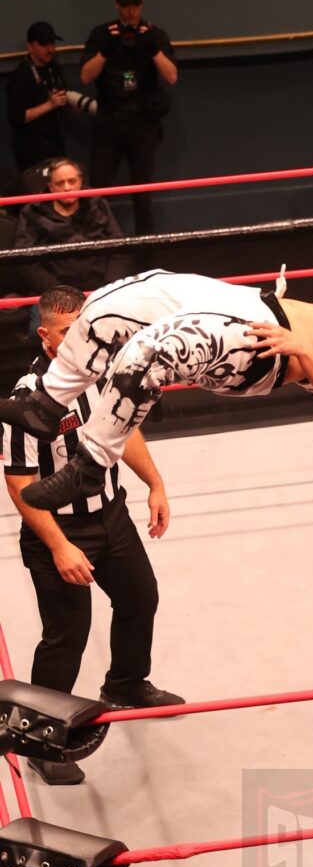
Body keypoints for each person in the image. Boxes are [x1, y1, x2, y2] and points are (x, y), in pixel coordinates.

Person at [0, 270, 313, 509]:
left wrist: (303, 348)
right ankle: (46, 403)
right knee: (108, 306)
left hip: (257, 347)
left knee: (148, 356)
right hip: (253, 310)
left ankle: (90, 466)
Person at [1, 286, 185, 786]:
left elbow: (122, 431)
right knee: (66, 637)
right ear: (45, 336)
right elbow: (18, 484)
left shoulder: (105, 371)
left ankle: (126, 684)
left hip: (111, 515)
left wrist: (155, 484)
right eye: (68, 332)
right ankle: (41, 741)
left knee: (139, 599)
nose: (82, 339)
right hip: (57, 529)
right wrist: (60, 545)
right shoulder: (29, 398)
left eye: (85, 327)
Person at [80, 0, 178, 235]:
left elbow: (171, 77)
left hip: (142, 124)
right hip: (109, 122)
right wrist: (105, 51)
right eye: (125, 6)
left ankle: (147, 258)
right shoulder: (102, 34)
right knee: (98, 194)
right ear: (117, 5)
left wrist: (153, 48)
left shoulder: (154, 34)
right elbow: (85, 77)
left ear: (142, 4)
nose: (130, 12)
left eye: (134, 5)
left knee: (142, 197)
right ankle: (96, 251)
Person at [14, 157, 131, 333]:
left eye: (72, 181)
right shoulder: (32, 212)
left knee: (127, 328)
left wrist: (107, 289)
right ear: (51, 187)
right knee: (42, 336)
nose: (67, 187)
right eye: (60, 183)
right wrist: (61, 294)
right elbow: (26, 262)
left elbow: (120, 250)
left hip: (100, 290)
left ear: (81, 182)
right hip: (55, 296)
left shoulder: (98, 204)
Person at [6, 21, 96, 172]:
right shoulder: (21, 76)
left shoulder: (53, 67)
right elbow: (17, 117)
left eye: (52, 43)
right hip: (32, 149)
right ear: (30, 46)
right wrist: (50, 105)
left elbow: (62, 93)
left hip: (55, 143)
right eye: (44, 45)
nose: (50, 49)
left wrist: (74, 105)